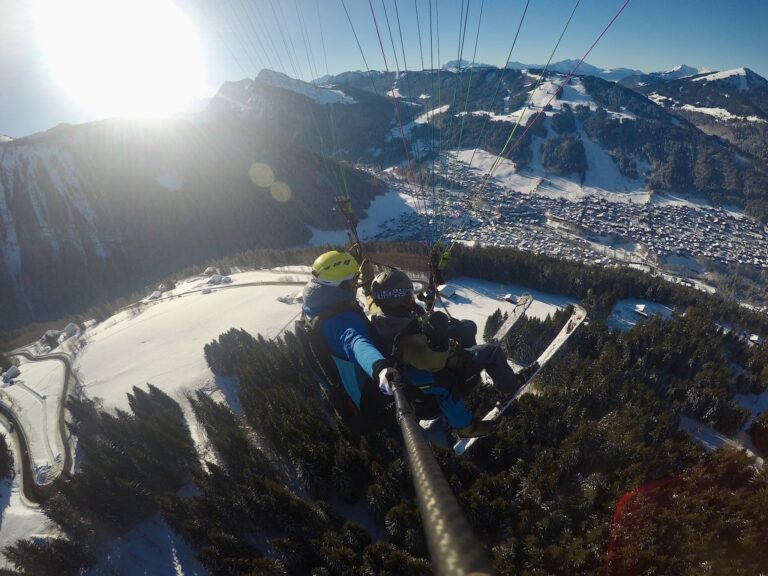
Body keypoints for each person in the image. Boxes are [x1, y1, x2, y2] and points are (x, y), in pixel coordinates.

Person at [360, 263, 536, 437]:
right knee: (491, 352)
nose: (412, 300)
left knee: (467, 327)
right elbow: (434, 364)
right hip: (426, 374)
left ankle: (469, 373)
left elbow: (372, 300)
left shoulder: (384, 314)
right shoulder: (405, 337)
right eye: (407, 298)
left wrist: (367, 286)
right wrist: (441, 342)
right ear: (395, 301)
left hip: (414, 367)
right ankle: (468, 424)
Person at [301, 250, 398, 427]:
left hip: (345, 386)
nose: (356, 284)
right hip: (370, 392)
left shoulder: (316, 303)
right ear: (341, 285)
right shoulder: (341, 321)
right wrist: (380, 368)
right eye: (353, 280)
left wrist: (350, 258)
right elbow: (356, 343)